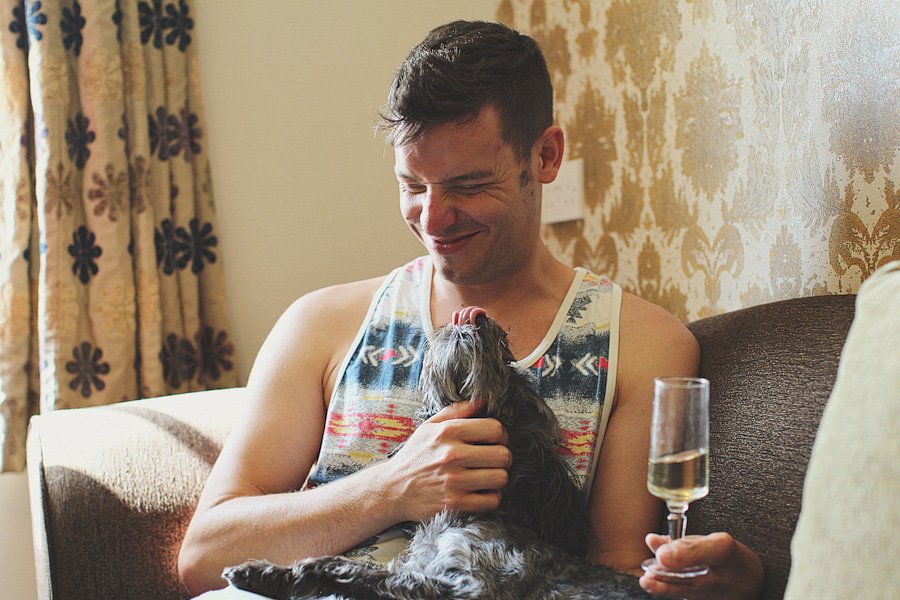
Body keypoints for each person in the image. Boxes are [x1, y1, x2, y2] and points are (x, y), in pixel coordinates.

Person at [178, 20, 763, 599]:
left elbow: (614, 572)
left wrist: (734, 581)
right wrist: (393, 487)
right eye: (412, 185)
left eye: (468, 184)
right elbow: (206, 556)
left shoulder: (639, 343)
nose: (432, 219)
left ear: (545, 157)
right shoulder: (321, 325)